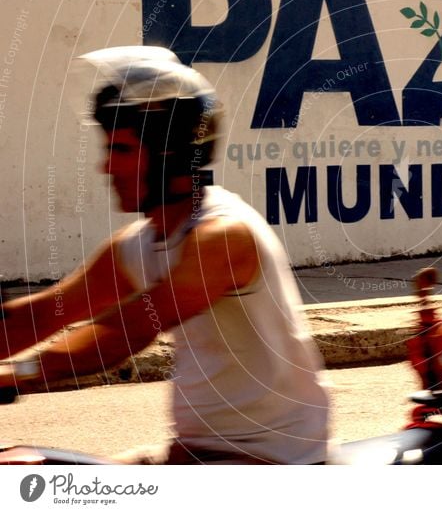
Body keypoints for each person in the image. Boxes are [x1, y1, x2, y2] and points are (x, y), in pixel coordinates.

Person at [0, 46, 329, 464]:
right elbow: (46, 313)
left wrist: (15, 375)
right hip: (195, 454)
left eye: (120, 150)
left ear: (169, 154)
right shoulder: (141, 244)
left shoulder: (224, 236)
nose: (105, 168)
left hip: (271, 463)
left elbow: (129, 329)